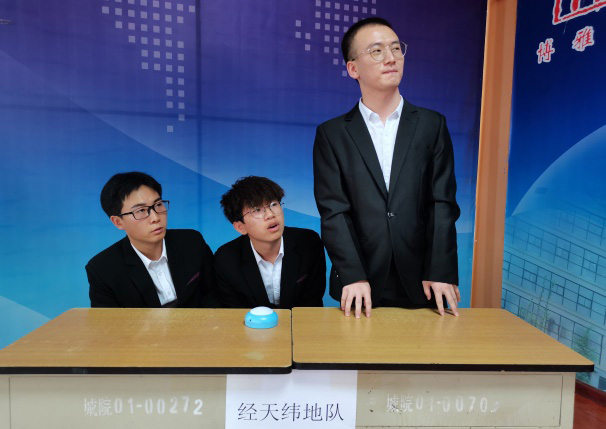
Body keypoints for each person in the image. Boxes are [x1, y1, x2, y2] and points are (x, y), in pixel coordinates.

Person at [313, 17, 460, 318]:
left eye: (395, 48)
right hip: (361, 282)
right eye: (377, 51)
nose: (391, 58)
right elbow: (334, 210)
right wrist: (352, 274)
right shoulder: (332, 134)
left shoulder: (431, 125)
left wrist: (440, 269)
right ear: (353, 68)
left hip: (425, 280)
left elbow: (442, 202)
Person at [86, 172, 217, 308]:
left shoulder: (192, 241)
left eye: (158, 204)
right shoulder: (102, 269)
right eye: (141, 210)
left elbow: (214, 294)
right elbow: (108, 320)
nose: (155, 218)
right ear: (118, 222)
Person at [215, 176, 326, 309]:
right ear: (240, 227)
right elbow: (232, 312)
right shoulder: (226, 259)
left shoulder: (308, 243)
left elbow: (312, 302)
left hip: (302, 320)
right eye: (257, 210)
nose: (270, 215)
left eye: (273, 204)